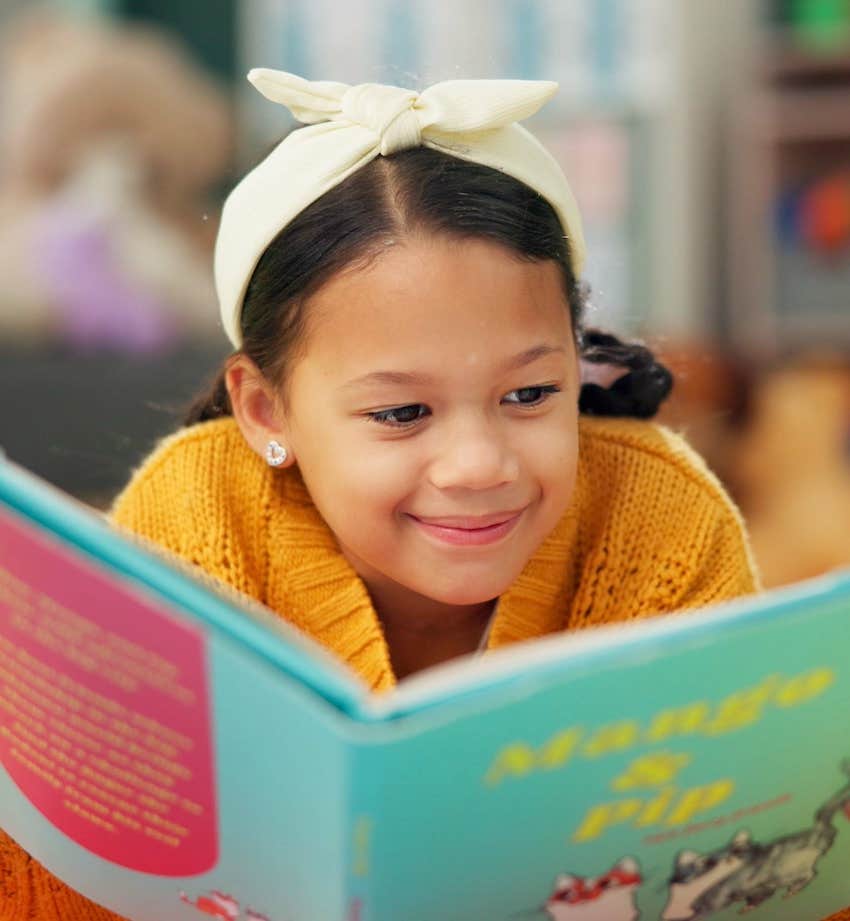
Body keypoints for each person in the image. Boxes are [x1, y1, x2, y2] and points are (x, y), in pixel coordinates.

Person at [4, 70, 838, 921]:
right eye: (401, 412)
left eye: (531, 394)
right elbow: (80, 861)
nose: (478, 465)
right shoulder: (189, 517)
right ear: (265, 409)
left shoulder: (662, 520)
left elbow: (770, 846)